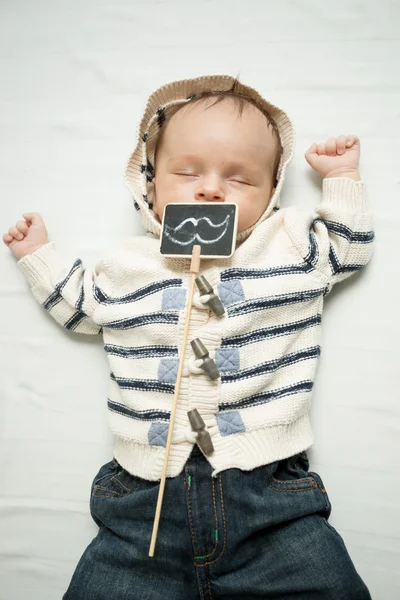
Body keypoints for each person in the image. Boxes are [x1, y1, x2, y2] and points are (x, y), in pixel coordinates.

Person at [3, 75, 373, 599]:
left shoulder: (285, 246)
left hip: (270, 501)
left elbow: (348, 248)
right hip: (140, 507)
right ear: (149, 186)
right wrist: (39, 257)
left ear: (271, 195)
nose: (211, 188)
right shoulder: (129, 264)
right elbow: (81, 308)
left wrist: (342, 178)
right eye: (187, 172)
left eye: (240, 180)